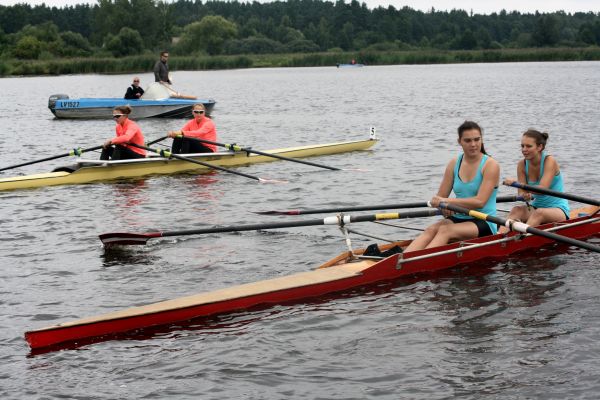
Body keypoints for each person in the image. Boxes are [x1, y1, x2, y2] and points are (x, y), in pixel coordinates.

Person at [404, 121, 500, 252]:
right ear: (459, 141)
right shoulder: (454, 163)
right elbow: (441, 197)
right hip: (460, 217)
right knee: (431, 229)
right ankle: (402, 258)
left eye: (477, 139)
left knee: (445, 231)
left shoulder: (491, 165)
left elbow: (480, 202)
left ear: (482, 140)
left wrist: (448, 202)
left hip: (484, 220)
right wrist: (444, 206)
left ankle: (416, 261)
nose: (473, 144)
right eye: (468, 140)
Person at [498, 129, 569, 234]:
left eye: (528, 146)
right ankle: (498, 237)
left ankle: (521, 239)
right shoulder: (522, 164)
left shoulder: (549, 161)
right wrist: (524, 195)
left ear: (540, 147)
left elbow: (543, 189)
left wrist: (517, 183)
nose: (524, 149)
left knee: (539, 213)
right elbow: (521, 193)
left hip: (558, 210)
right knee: (516, 210)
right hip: (536, 207)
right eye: (522, 146)